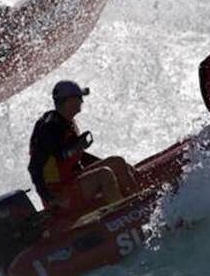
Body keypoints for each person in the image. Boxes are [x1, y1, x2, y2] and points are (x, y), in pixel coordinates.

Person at [28, 80, 136, 215]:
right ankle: (127, 214)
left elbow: (79, 156)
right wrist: (50, 199)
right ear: (69, 101)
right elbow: (34, 168)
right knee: (104, 174)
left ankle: (138, 199)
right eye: (79, 98)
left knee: (117, 162)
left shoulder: (66, 121)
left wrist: (116, 167)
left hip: (72, 179)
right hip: (60, 193)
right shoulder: (48, 130)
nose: (82, 102)